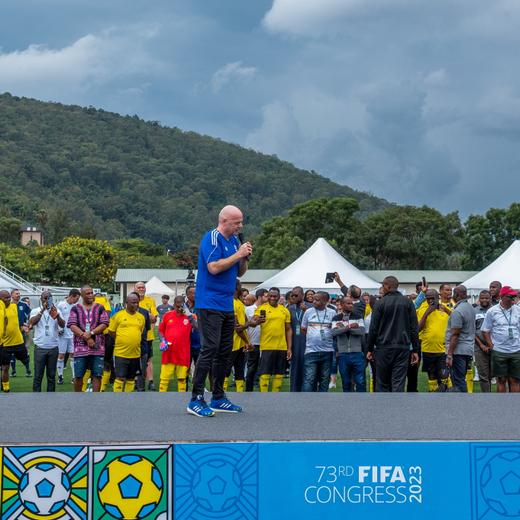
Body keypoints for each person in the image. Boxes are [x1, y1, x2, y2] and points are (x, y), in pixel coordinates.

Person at [187, 205, 252, 417]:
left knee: (225, 351)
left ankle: (218, 396)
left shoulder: (234, 241)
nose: (240, 226)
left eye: (241, 222)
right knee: (209, 349)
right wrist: (237, 254)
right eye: (237, 223)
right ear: (224, 221)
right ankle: (196, 399)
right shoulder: (212, 238)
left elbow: (239, 272)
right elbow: (213, 267)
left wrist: (243, 257)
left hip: (226, 304)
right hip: (209, 303)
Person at [366, 277, 420, 392]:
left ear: (387, 286)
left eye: (383, 286)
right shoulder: (408, 302)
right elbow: (414, 328)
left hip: (383, 348)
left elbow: (373, 329)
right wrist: (415, 349)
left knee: (382, 383)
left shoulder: (380, 303)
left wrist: (369, 349)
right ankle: (397, 408)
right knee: (398, 382)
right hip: (402, 348)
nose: (382, 288)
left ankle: (383, 408)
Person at [67, 286, 110, 392]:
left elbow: (105, 323)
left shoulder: (100, 307)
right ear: (82, 295)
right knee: (78, 376)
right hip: (80, 348)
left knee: (97, 375)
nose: (91, 295)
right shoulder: (75, 308)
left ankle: (95, 400)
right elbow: (72, 325)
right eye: (88, 293)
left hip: (97, 347)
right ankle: (78, 398)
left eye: (91, 293)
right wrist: (84, 336)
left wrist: (91, 333)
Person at [481, 286, 520, 393]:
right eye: (511, 296)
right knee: (501, 380)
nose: (514, 298)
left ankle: (514, 405)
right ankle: (501, 406)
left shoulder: (518, 310)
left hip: (516, 350)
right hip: (499, 351)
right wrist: (491, 345)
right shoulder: (492, 311)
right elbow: (485, 330)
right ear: (502, 297)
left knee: (515, 380)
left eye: (515, 296)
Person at [254, 287, 292, 392]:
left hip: (281, 347)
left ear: (279, 297)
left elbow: (288, 329)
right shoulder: (262, 308)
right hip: (266, 346)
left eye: (275, 296)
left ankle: (276, 397)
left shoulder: (284, 310)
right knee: (265, 373)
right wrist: (257, 320)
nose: (272, 298)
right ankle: (264, 396)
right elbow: (254, 320)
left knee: (279, 374)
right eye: (270, 296)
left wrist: (289, 348)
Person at [108, 293, 145, 392]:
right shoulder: (118, 316)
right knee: (120, 378)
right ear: (126, 303)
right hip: (121, 354)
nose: (136, 305)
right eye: (133, 303)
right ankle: (117, 399)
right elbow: (111, 331)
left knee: (131, 378)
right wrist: (121, 339)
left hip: (135, 354)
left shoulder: (141, 317)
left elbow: (139, 332)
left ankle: (129, 400)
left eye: (137, 302)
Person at [28, 291, 65, 392]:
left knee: (51, 376)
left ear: (52, 299)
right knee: (38, 376)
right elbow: (32, 323)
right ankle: (36, 397)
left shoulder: (56, 310)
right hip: (40, 348)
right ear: (41, 299)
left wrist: (57, 316)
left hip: (53, 347)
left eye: (49, 298)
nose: (47, 300)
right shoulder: (35, 310)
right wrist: (42, 310)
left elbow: (62, 325)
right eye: (45, 298)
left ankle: (51, 398)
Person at [158, 295, 197, 392]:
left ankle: (181, 401)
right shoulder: (167, 315)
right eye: (177, 304)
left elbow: (198, 327)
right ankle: (160, 400)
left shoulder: (191, 316)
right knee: (164, 379)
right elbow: (160, 330)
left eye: (181, 304)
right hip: (168, 352)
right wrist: (162, 340)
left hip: (183, 353)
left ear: (184, 305)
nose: (179, 307)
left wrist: (188, 314)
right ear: (174, 304)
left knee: (182, 379)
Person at [301, 291, 336, 392]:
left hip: (327, 351)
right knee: (309, 378)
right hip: (311, 351)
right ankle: (307, 402)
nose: (314, 302)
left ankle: (322, 403)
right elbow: (303, 329)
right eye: (313, 300)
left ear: (325, 301)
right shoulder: (308, 312)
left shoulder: (332, 312)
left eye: (317, 300)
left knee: (324, 379)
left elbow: (334, 329)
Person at [416, 289, 449, 392]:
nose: (430, 301)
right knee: (431, 374)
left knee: (443, 375)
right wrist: (427, 313)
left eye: (432, 298)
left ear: (438, 297)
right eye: (428, 299)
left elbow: (456, 318)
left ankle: (445, 393)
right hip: (428, 349)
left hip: (443, 350)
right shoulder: (422, 310)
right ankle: (433, 393)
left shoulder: (445, 309)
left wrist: (446, 310)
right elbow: (418, 328)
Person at [332, 296, 366, 392]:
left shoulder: (358, 316)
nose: (351, 305)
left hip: (357, 353)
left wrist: (343, 328)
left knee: (360, 381)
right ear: (342, 305)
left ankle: (363, 403)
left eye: (352, 303)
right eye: (348, 303)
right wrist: (350, 327)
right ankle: (347, 404)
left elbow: (362, 332)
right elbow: (334, 333)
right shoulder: (336, 318)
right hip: (343, 354)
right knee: (346, 382)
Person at [445, 285, 476, 392]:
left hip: (458, 351)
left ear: (457, 295)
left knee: (458, 381)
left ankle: (462, 405)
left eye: (454, 293)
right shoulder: (470, 308)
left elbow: (455, 335)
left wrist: (449, 355)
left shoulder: (458, 311)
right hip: (468, 349)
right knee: (461, 379)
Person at [0, 290, 31, 392]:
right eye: (6, 298)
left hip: (18, 342)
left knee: (26, 360)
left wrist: (24, 326)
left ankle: (26, 369)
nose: (9, 299)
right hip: (5, 344)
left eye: (9, 297)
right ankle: (5, 387)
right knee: (5, 367)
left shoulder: (14, 306)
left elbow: (18, 322)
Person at [225, 280, 250, 392]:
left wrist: (245, 341)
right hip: (231, 342)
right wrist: (248, 341)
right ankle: (222, 393)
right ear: (235, 287)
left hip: (240, 343)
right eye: (240, 285)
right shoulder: (230, 302)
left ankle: (240, 393)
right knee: (226, 370)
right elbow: (237, 326)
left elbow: (244, 323)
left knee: (240, 369)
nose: (241, 287)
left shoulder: (240, 303)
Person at [134, 281, 158, 391]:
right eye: (139, 287)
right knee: (133, 359)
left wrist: (144, 315)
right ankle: (135, 380)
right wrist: (147, 315)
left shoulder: (150, 300)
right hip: (134, 336)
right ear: (135, 289)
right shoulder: (131, 300)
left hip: (148, 336)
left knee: (148, 360)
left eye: (143, 287)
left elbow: (154, 318)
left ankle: (151, 381)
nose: (141, 289)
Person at [244, 288, 268, 391]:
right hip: (253, 341)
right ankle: (248, 389)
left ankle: (262, 387)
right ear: (260, 296)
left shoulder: (268, 309)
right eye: (266, 296)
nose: (268, 298)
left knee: (263, 367)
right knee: (252, 367)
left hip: (266, 342)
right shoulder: (249, 309)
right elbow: (244, 325)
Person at [56, 289, 81, 384]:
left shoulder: (77, 306)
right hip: (62, 334)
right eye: (77, 298)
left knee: (73, 355)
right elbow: (56, 319)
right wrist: (58, 329)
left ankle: (74, 377)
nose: (77, 300)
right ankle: (60, 376)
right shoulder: (61, 305)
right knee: (61, 355)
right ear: (71, 296)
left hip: (73, 334)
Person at [287, 286, 309, 392]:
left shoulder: (310, 307)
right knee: (295, 366)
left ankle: (307, 389)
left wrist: (307, 311)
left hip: (307, 341)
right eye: (292, 295)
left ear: (302, 295)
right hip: (295, 341)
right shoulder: (290, 308)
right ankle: (294, 389)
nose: (294, 296)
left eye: (296, 295)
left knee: (307, 366)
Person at [9, 289, 31, 377]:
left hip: (21, 333)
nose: (18, 295)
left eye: (19, 294)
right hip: (11, 333)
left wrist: (27, 325)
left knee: (24, 351)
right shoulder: (8, 305)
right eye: (16, 294)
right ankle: (13, 371)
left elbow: (31, 315)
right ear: (12, 295)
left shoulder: (24, 305)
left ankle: (28, 370)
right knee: (11, 352)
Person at [474, 290, 493, 392]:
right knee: (483, 376)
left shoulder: (496, 310)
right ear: (479, 298)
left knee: (498, 376)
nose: (484, 300)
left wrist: (491, 345)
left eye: (486, 298)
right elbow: (472, 331)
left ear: (490, 298)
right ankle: (487, 399)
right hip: (479, 348)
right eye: (482, 298)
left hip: (495, 347)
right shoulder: (474, 311)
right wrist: (481, 345)